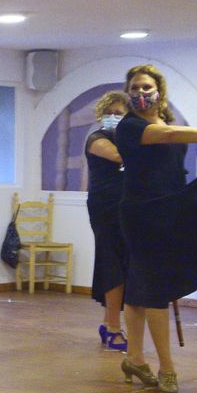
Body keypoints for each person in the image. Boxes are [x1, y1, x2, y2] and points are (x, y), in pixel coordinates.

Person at [113, 65, 197, 393]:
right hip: (142, 213)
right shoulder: (129, 127)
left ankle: (134, 359)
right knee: (155, 286)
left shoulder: (162, 122)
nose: (141, 93)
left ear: (159, 90)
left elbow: (171, 143)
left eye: (146, 87)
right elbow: (171, 136)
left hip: (167, 208)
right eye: (135, 88)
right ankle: (166, 367)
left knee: (141, 286)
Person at [84, 91, 131, 350]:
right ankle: (114, 326)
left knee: (122, 263)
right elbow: (119, 156)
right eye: (109, 113)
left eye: (119, 113)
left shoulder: (127, 139)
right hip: (105, 209)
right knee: (111, 262)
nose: (113, 117)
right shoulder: (96, 139)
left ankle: (108, 322)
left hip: (126, 208)